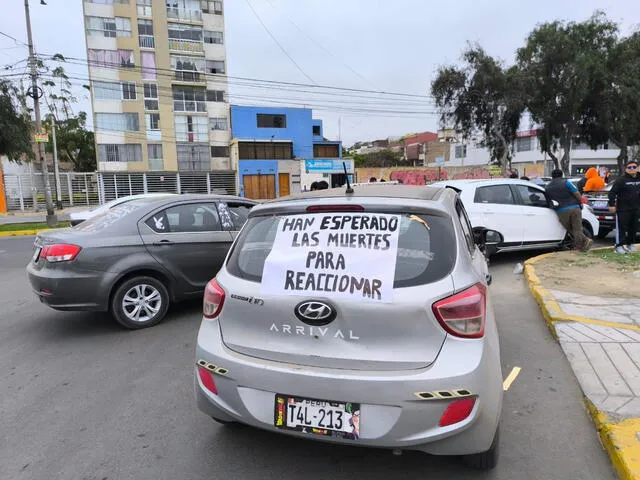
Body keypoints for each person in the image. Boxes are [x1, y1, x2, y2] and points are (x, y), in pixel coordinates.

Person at [545, 169, 593, 252]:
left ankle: (581, 244)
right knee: (577, 228)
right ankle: (581, 244)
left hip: (562, 210)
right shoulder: (566, 182)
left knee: (570, 228)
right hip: (575, 207)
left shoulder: (548, 187)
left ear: (552, 176)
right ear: (561, 175)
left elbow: (548, 200)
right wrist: (580, 202)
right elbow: (576, 193)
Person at [608, 160, 640, 254]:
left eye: (634, 167)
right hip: (623, 209)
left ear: (637, 168)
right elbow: (612, 193)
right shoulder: (621, 180)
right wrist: (611, 205)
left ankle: (631, 244)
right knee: (621, 228)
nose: (632, 169)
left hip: (636, 209)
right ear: (626, 169)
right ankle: (619, 246)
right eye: (629, 167)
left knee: (633, 228)